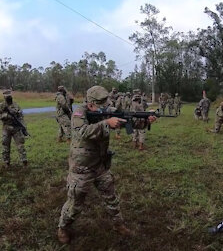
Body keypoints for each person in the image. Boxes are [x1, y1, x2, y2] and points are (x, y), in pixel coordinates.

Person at [57, 86, 156, 244]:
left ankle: (118, 224)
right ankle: (63, 227)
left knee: (111, 197)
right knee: (75, 203)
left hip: (101, 165)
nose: (106, 105)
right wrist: (106, 124)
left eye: (106, 102)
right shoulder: (79, 113)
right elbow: (81, 132)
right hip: (81, 167)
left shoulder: (107, 110)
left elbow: (126, 120)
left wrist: (145, 121)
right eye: (102, 103)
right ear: (91, 104)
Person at [0, 90, 28, 167]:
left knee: (20, 145)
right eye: (7, 96)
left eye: (10, 96)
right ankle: (6, 162)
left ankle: (24, 161)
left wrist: (23, 126)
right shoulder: (1, 106)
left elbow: (21, 116)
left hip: (16, 128)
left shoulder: (16, 105)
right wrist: (5, 115)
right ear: (4, 97)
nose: (9, 97)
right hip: (6, 127)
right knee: (5, 146)